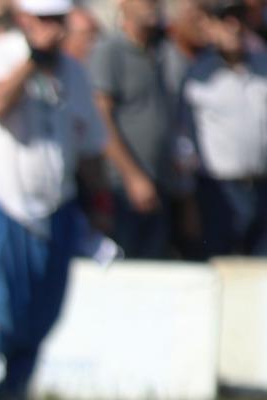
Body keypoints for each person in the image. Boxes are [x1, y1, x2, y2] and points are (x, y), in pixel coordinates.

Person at [0, 0, 107, 400]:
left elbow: (91, 145)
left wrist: (99, 204)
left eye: (58, 21)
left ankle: (14, 399)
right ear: (24, 19)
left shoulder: (74, 72)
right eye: (43, 20)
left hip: (55, 205)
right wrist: (33, 60)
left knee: (41, 309)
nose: (52, 30)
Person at [176, 0, 267, 255]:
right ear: (210, 26)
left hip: (261, 187)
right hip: (218, 191)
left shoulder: (263, 66)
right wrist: (188, 200)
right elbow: (183, 142)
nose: (233, 27)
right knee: (221, 264)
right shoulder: (198, 75)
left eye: (238, 18)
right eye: (225, 20)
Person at [89, 0, 174, 259]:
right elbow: (100, 119)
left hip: (159, 183)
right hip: (123, 188)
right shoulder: (109, 50)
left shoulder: (158, 50)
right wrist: (133, 176)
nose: (153, 5)